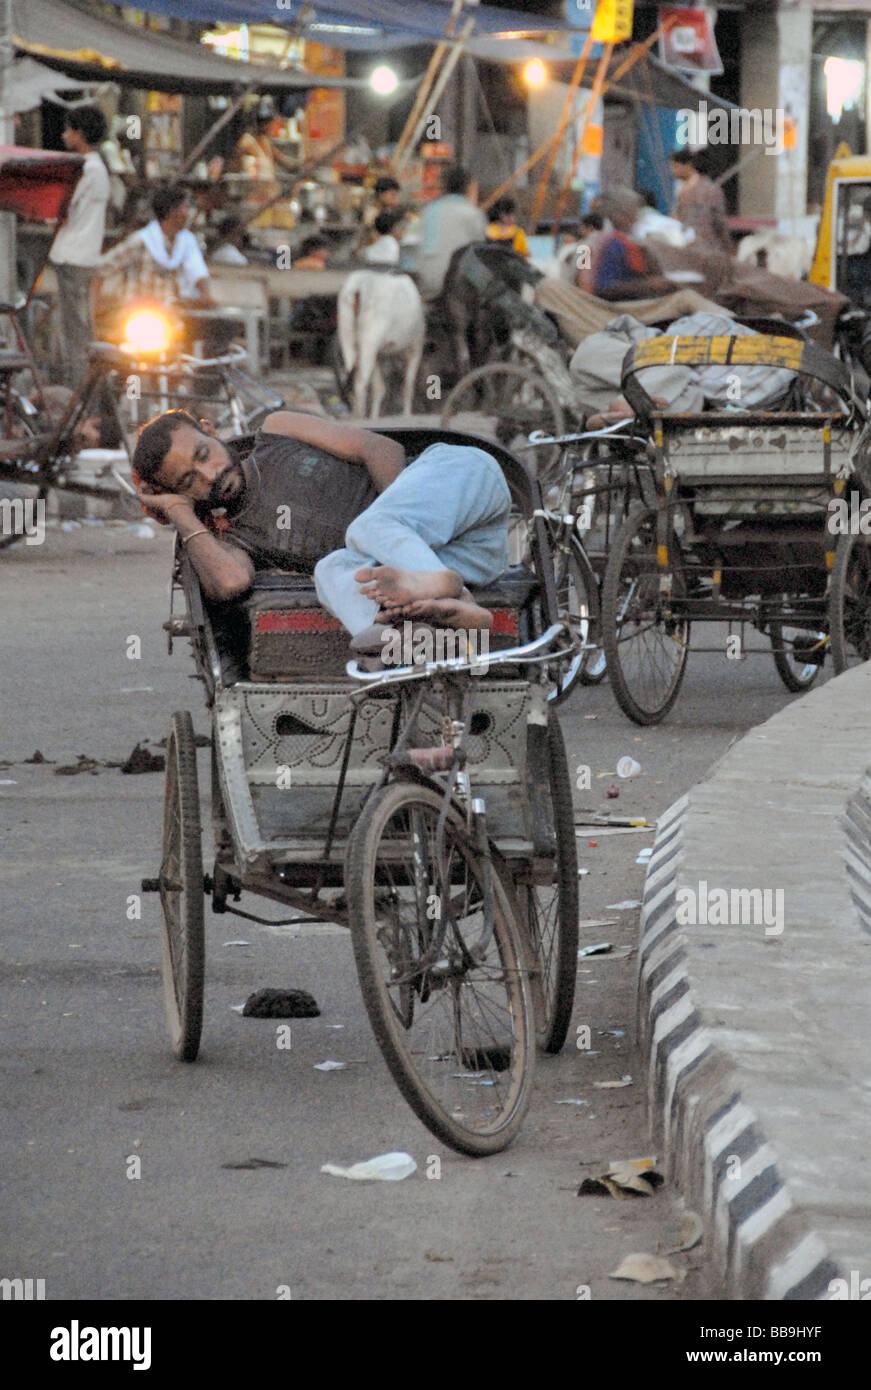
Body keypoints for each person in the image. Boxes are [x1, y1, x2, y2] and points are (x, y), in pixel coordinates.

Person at [130, 409, 510, 648]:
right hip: (463, 558)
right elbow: (230, 584)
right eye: (187, 482)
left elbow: (379, 449)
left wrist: (397, 540)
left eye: (203, 454)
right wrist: (179, 512)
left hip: (460, 484)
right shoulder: (234, 538)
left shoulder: (276, 431)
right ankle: (401, 640)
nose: (210, 475)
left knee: (370, 527)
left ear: (211, 431)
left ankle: (455, 597)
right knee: (329, 571)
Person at [49, 105, 110, 386]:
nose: (63, 135)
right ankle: (84, 394)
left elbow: (61, 212)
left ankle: (81, 396)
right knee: (80, 332)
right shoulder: (99, 170)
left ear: (80, 133)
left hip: (72, 255)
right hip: (84, 257)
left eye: (68, 129)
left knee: (76, 335)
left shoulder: (85, 170)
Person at [95, 186, 214, 322]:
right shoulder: (141, 240)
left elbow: (198, 270)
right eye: (184, 208)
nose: (187, 213)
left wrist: (206, 294)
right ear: (172, 212)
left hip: (171, 317)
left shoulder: (187, 241)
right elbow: (101, 268)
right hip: (137, 316)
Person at [416, 165, 487, 301]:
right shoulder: (472, 214)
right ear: (467, 188)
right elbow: (479, 252)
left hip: (428, 281)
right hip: (457, 285)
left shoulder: (429, 211)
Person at [592, 189, 675, 301]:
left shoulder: (631, 240)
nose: (636, 218)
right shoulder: (612, 244)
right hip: (626, 306)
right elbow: (602, 286)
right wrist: (648, 284)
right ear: (619, 216)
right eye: (632, 213)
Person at [669, 148, 732, 257]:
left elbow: (719, 223)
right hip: (700, 249)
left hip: (699, 250)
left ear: (689, 165)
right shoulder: (707, 189)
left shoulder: (694, 190)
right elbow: (720, 223)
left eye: (675, 166)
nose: (672, 171)